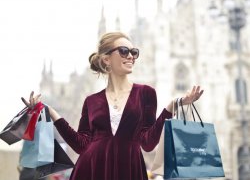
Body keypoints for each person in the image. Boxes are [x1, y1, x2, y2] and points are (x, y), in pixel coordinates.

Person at [22, 32, 204, 180]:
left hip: (130, 169)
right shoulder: (91, 101)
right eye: (124, 51)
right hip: (90, 170)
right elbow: (81, 145)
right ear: (106, 59)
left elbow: (148, 143)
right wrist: (51, 112)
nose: (131, 56)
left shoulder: (146, 93)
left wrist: (172, 106)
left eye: (134, 52)